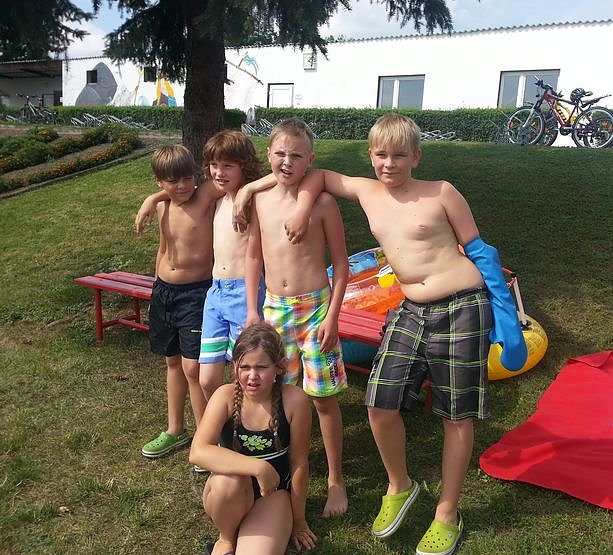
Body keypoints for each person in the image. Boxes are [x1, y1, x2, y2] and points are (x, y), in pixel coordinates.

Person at [236, 114, 527, 555]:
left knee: (456, 416)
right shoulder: (366, 191)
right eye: (380, 155)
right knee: (379, 401)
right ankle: (399, 484)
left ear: (416, 157)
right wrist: (253, 191)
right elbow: (312, 174)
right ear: (370, 155)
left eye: (398, 156)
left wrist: (506, 318)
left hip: (462, 304)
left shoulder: (441, 192)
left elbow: (481, 253)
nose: (389, 164)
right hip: (411, 306)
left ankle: (447, 512)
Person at [244, 117, 350, 518]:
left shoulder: (322, 204)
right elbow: (253, 257)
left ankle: (336, 479)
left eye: (296, 155)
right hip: (274, 311)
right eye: (280, 153)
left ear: (310, 160)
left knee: (322, 399)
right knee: (282, 394)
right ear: (268, 154)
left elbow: (342, 265)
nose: (286, 162)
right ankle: (284, 465)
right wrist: (252, 310)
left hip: (316, 311)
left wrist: (332, 317)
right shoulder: (260, 201)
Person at [137, 131, 270, 415]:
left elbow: (278, 179)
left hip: (233, 291)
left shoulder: (239, 199)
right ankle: (213, 427)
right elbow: (178, 195)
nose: (219, 172)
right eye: (214, 165)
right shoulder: (208, 200)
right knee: (200, 375)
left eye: (227, 166)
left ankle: (245, 425)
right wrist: (152, 198)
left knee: (239, 369)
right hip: (206, 292)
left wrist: (247, 190)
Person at [190, 323, 316, 555]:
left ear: (279, 367)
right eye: (244, 367)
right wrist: (259, 468)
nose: (252, 376)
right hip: (229, 494)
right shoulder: (224, 396)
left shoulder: (294, 400)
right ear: (235, 366)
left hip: (273, 493)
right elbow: (198, 451)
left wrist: (299, 521)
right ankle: (226, 537)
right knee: (228, 482)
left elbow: (299, 463)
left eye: (261, 367)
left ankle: (256, 529)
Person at [139, 144, 219, 460]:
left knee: (193, 367)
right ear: (159, 181)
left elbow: (233, 180)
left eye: (187, 178)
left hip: (196, 294)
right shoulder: (163, 205)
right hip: (164, 292)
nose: (183, 186)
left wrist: (152, 196)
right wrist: (154, 199)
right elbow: (164, 247)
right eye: (173, 181)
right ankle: (175, 430)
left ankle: (205, 439)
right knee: (172, 362)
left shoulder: (204, 198)